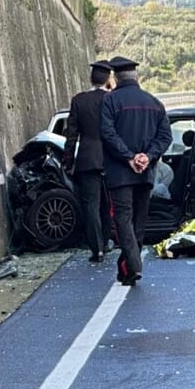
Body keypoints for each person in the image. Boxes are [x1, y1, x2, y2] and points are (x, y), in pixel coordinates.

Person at [100, 56, 172, 286]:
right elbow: (165, 137)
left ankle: (133, 263)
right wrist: (147, 156)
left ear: (116, 78)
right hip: (146, 173)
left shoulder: (110, 101)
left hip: (120, 174)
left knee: (122, 218)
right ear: (136, 77)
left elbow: (107, 133)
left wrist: (129, 157)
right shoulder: (154, 103)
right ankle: (129, 269)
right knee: (139, 221)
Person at [63, 61, 117, 262]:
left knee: (91, 205)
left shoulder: (79, 101)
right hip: (111, 158)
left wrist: (68, 161)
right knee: (108, 203)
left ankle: (97, 249)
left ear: (91, 78)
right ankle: (106, 240)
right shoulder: (112, 99)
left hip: (87, 158)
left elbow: (71, 135)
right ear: (108, 79)